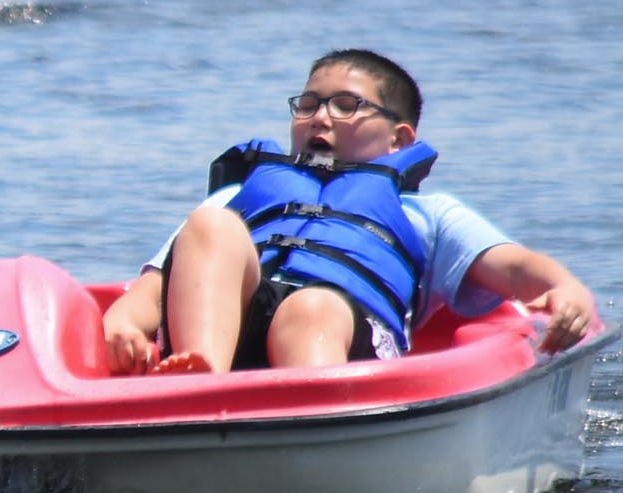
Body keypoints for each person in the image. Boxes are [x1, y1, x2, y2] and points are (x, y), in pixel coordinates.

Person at [100, 49, 597, 373]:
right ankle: (199, 380)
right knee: (210, 226)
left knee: (310, 307)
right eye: (309, 104)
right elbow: (152, 292)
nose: (320, 117)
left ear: (398, 138)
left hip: (340, 345)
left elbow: (515, 267)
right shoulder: (235, 200)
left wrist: (565, 289)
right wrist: (122, 328)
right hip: (231, 346)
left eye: (345, 105)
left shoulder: (429, 214)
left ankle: (314, 423)